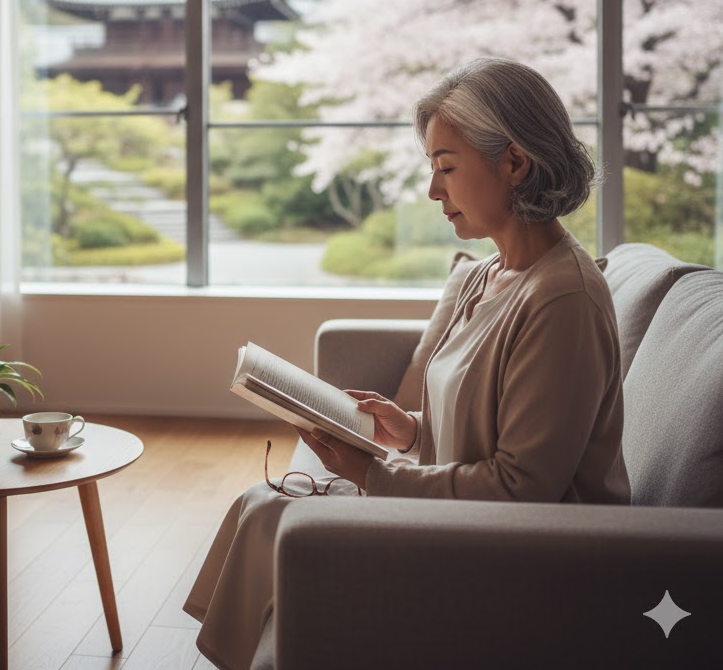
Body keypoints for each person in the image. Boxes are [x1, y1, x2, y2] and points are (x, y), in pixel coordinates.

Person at [184, 57, 630, 670]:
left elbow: (523, 489)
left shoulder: (564, 300)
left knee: (278, 517)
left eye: (447, 168)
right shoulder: (488, 274)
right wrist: (411, 430)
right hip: (459, 521)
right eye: (432, 169)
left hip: (525, 559)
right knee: (263, 505)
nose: (433, 191)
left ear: (516, 162)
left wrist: (374, 477)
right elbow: (490, 425)